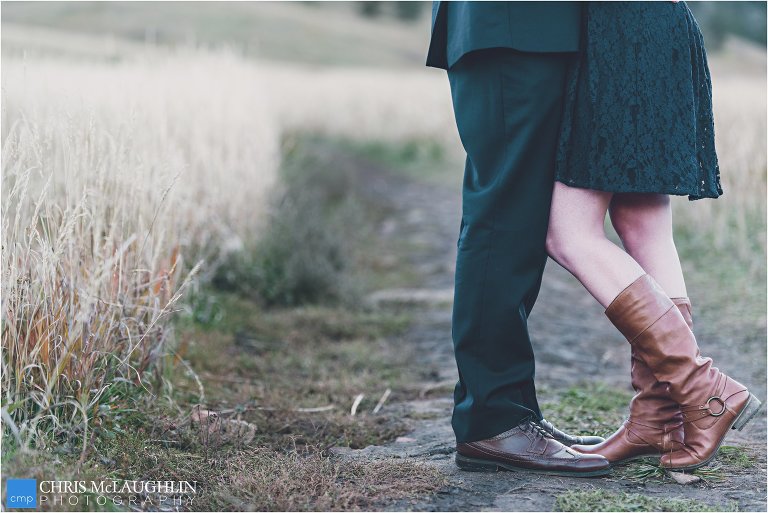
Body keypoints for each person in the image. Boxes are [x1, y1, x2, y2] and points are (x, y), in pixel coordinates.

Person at [547, 1, 761, 471]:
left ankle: (705, 390)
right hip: (653, 29)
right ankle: (659, 418)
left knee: (568, 234)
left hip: (621, 38)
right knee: (642, 224)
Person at [426, 1, 610, 476]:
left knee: (517, 222)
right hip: (513, 25)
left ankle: (512, 413)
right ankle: (492, 420)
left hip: (524, 29)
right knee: (504, 219)